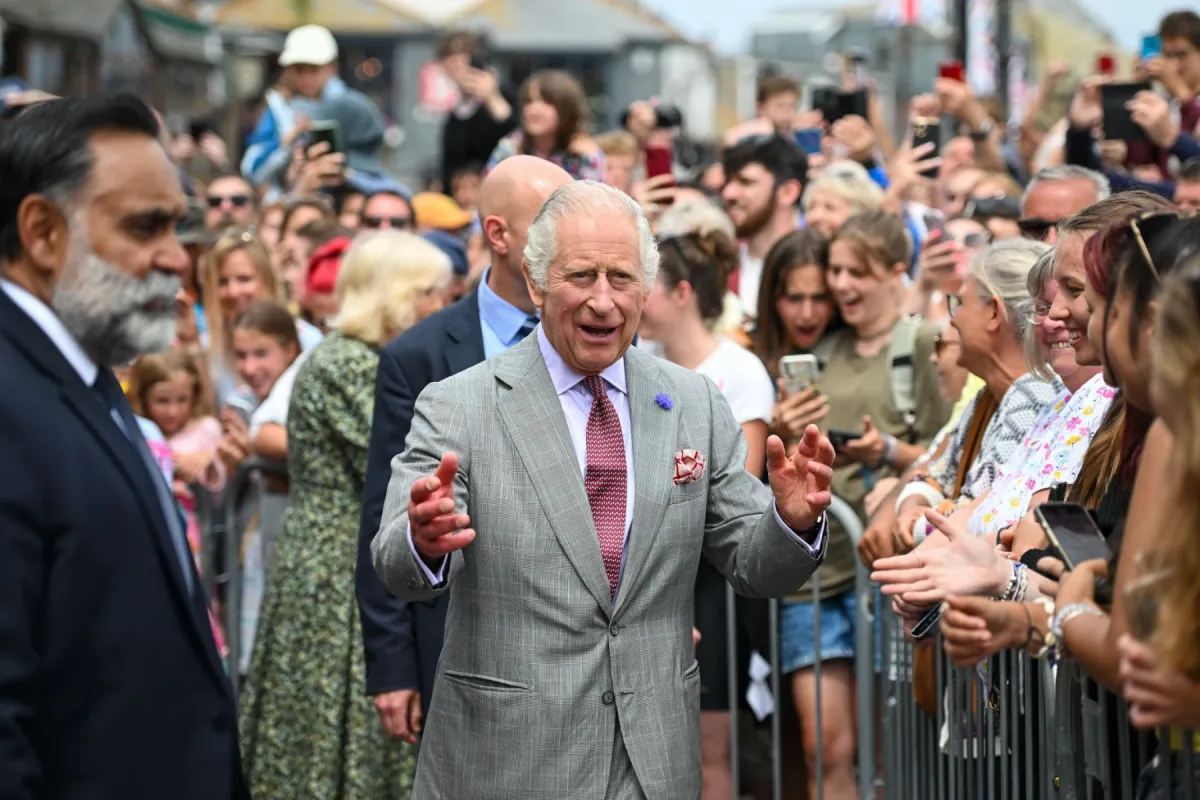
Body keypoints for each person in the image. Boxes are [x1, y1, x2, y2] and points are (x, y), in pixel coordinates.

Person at [371, 180, 834, 799]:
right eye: (581, 275)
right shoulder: (460, 404)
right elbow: (395, 564)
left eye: (620, 278)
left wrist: (792, 523)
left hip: (653, 764)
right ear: (536, 285)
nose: (602, 301)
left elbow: (756, 566)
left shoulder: (692, 402)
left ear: (648, 288)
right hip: (506, 763)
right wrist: (424, 542)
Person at [0, 94, 248, 797]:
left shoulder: (89, 376)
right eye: (146, 227)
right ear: (43, 231)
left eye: (178, 224)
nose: (176, 259)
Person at [355, 155, 574, 745]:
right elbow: (389, 513)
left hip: (577, 645)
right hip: (459, 644)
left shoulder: (600, 339)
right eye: (550, 225)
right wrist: (393, 667)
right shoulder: (418, 356)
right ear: (499, 235)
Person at [239, 231, 452, 798]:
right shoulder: (349, 365)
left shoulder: (355, 356)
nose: (442, 306)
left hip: (343, 560)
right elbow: (402, 463)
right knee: (342, 743)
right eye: (431, 292)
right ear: (397, 295)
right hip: (338, 574)